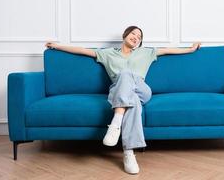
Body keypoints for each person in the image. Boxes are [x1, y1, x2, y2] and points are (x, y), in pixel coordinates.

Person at [45, 26, 201, 174]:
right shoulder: (107, 53)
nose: (136, 37)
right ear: (125, 35)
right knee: (133, 103)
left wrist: (191, 49)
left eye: (139, 37)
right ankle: (129, 153)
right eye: (133, 33)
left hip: (142, 90)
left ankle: (116, 123)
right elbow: (82, 51)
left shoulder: (146, 52)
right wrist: (57, 46)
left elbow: (169, 50)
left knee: (126, 76)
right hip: (121, 90)